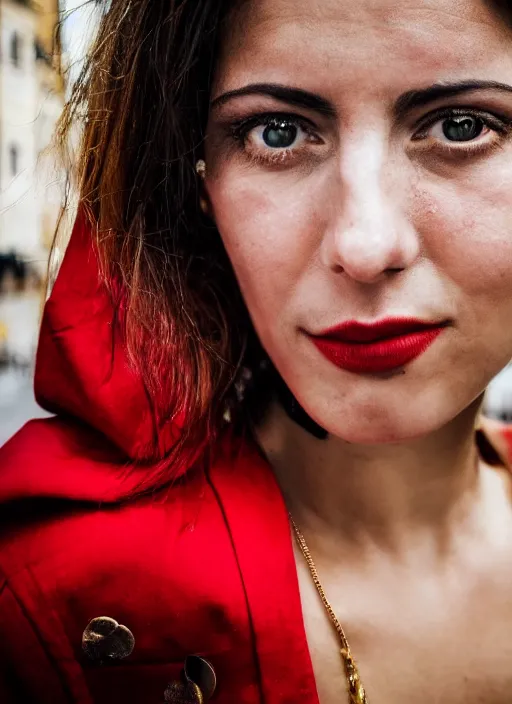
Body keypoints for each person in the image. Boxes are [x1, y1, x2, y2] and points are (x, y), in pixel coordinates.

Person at [2, 0, 512, 701]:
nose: (363, 246)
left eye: (462, 125)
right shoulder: (44, 607)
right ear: (198, 183)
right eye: (277, 132)